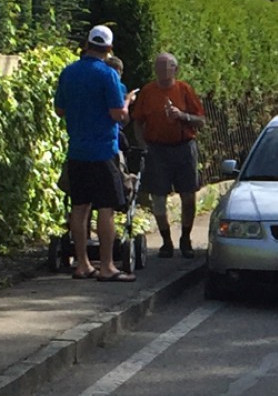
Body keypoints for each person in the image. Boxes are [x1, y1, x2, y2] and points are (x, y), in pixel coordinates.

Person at [54, 25, 136, 282]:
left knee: (79, 208)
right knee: (106, 209)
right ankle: (108, 266)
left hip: (77, 150)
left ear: (86, 44)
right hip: (103, 151)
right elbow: (117, 115)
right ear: (109, 49)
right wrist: (127, 103)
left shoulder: (68, 72)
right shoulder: (107, 75)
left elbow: (59, 111)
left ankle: (82, 264)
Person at [131, 53, 205, 259]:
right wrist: (142, 144)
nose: (162, 71)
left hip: (183, 147)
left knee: (188, 196)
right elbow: (137, 121)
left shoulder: (184, 90)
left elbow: (201, 120)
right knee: (158, 197)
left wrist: (182, 116)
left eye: (166, 67)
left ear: (175, 69)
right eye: (158, 67)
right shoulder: (148, 91)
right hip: (156, 150)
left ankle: (186, 238)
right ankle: (166, 241)